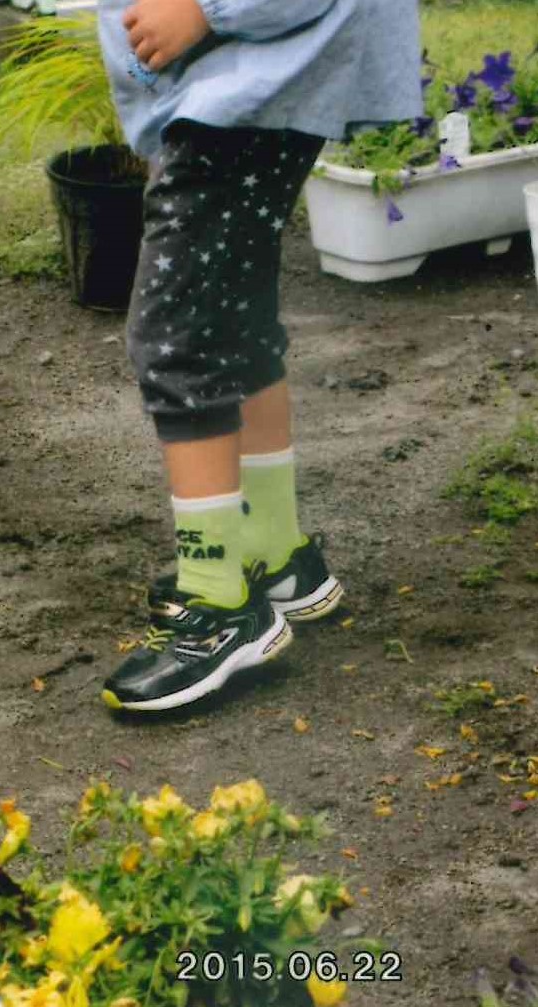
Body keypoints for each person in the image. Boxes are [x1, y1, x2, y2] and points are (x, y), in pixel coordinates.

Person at [96, 0, 422, 712]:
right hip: (245, 77)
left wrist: (208, 12)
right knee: (230, 313)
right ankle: (276, 555)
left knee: (179, 336)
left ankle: (219, 605)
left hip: (247, 75)